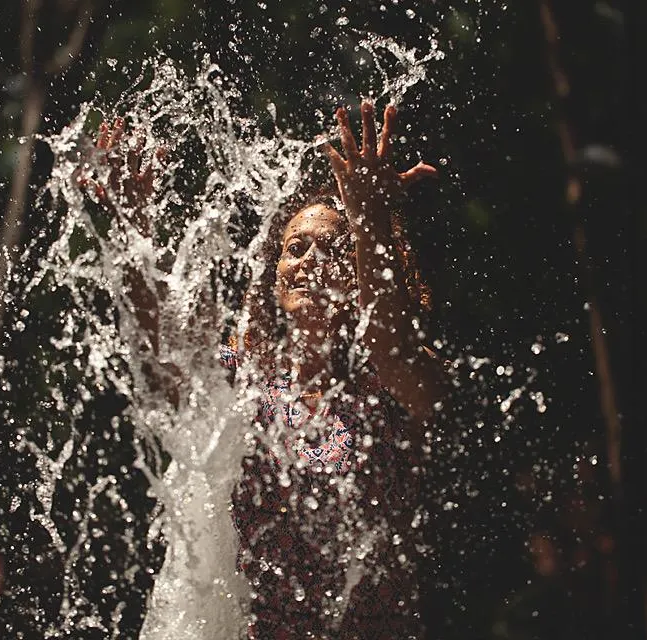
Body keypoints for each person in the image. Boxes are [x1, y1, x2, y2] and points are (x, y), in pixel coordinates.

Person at [85, 100, 451, 639]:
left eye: (331, 247)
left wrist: (369, 217)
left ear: (361, 273)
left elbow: (389, 345)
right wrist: (129, 220)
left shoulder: (391, 387)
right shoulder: (248, 381)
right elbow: (166, 359)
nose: (307, 260)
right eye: (294, 248)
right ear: (276, 279)